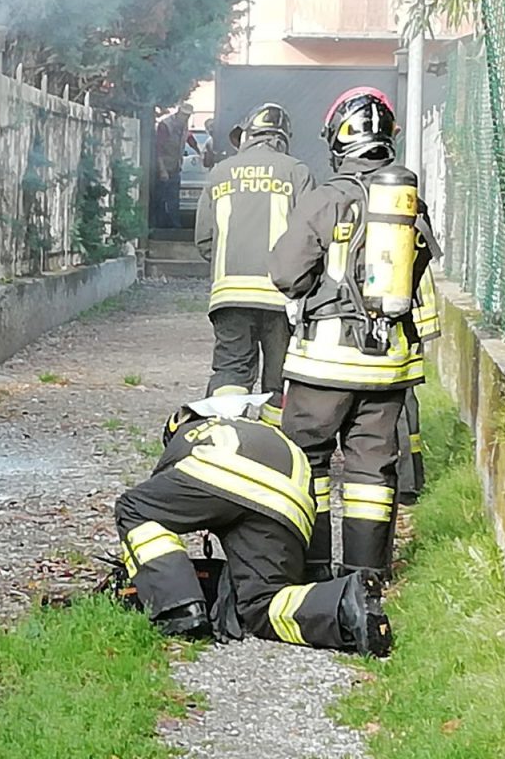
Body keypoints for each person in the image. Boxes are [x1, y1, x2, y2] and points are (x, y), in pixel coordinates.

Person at [270, 88, 437, 581]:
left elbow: (286, 273)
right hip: (389, 365)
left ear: (337, 140)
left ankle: (314, 569)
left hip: (325, 362)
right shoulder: (408, 203)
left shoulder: (325, 198)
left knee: (309, 461)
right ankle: (366, 578)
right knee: (372, 471)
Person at [110, 392, 391, 655]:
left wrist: (151, 574)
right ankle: (344, 603)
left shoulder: (185, 435)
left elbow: (161, 511)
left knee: (134, 509)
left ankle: (179, 609)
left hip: (222, 473)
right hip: (291, 506)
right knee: (261, 605)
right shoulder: (262, 431)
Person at [194, 103, 314, 426]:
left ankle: (226, 444)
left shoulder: (219, 173)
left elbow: (204, 240)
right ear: (282, 138)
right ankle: (274, 453)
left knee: (230, 371)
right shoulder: (296, 172)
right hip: (281, 297)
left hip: (229, 298)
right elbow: (311, 239)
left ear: (247, 135)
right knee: (279, 379)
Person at [397, 271, 440, 504]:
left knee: (399, 406)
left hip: (399, 327)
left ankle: (406, 481)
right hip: (407, 323)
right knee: (404, 404)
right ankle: (409, 479)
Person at [153, 103, 198, 229]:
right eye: (184, 115)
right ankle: (160, 226)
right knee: (161, 198)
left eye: (188, 116)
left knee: (174, 198)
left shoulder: (183, 126)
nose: (186, 118)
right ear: (178, 113)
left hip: (175, 167)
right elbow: (158, 149)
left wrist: (199, 151)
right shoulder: (165, 125)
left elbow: (189, 138)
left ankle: (175, 225)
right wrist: (162, 170)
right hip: (164, 167)